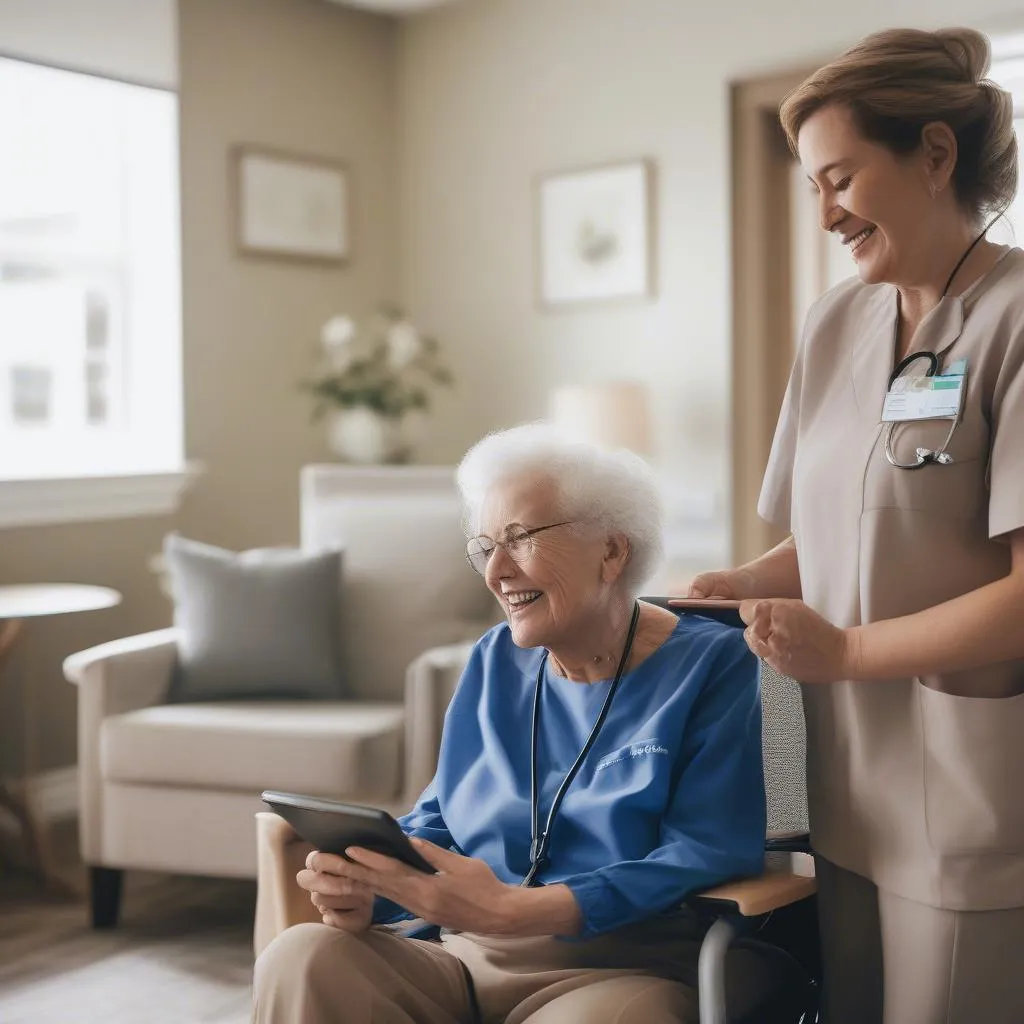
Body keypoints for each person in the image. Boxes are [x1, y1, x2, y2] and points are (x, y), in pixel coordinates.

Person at [685, 26, 1024, 1024]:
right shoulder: (837, 321)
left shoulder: (1015, 316)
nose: (826, 212)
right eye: (811, 188)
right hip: (844, 785)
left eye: (841, 178)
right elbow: (833, 538)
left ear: (932, 153)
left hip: (964, 783)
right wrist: (740, 582)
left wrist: (848, 647)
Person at [253, 424, 775, 1024]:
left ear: (611, 551)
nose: (496, 570)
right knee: (303, 955)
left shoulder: (716, 665)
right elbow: (443, 814)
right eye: (484, 547)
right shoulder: (495, 658)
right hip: (463, 952)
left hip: (626, 966)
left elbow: (704, 850)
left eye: (520, 539)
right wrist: (373, 885)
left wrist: (518, 910)